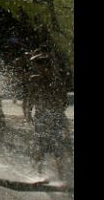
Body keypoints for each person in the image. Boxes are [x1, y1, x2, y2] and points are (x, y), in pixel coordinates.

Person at [27, 53, 71, 182]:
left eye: (40, 64)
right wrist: (29, 113)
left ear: (47, 65)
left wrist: (57, 113)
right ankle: (39, 174)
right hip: (41, 116)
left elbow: (64, 99)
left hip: (55, 116)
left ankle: (62, 177)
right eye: (37, 65)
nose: (38, 68)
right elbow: (31, 97)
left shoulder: (56, 80)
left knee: (58, 148)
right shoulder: (34, 79)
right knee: (40, 147)